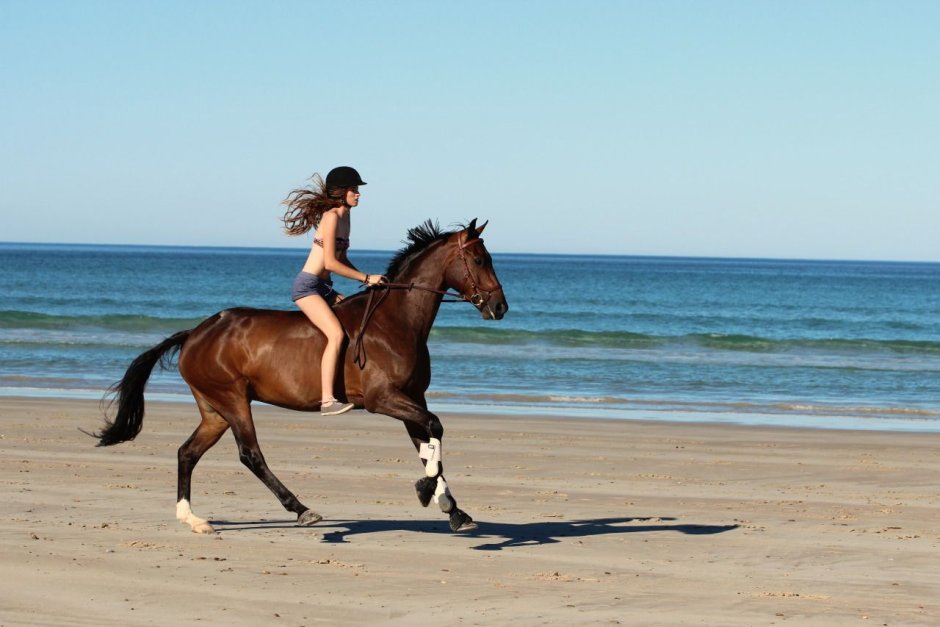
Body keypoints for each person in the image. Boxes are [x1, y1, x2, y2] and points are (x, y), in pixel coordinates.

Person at [282, 166, 387, 415]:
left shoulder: (346, 217)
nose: (358, 194)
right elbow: (329, 262)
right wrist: (365, 277)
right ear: (341, 192)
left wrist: (368, 279)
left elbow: (342, 258)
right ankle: (327, 400)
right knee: (336, 334)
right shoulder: (331, 217)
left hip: (325, 287)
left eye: (358, 190)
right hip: (307, 287)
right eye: (354, 189)